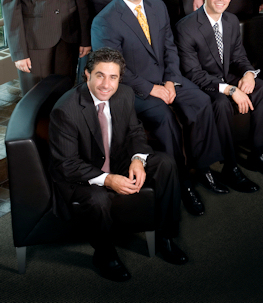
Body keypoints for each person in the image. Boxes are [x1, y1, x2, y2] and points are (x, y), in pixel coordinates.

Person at [91, 0, 226, 217]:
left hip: (166, 78)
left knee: (201, 102)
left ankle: (204, 168)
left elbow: (169, 48)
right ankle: (183, 182)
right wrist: (153, 89)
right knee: (164, 118)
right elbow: (114, 71)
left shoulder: (158, 7)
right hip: (134, 89)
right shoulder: (105, 20)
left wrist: (171, 80)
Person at [49, 48, 187, 282]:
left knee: (165, 163)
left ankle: (165, 237)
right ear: (87, 74)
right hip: (80, 174)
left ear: (119, 79)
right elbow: (67, 164)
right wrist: (109, 179)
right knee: (98, 198)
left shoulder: (124, 94)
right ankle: (104, 255)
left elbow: (134, 131)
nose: (106, 84)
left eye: (113, 77)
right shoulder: (66, 110)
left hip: (116, 159)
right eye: (100, 75)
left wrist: (138, 159)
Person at [175, 0, 263, 189]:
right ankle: (230, 167)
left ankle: (259, 155)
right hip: (202, 85)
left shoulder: (231, 20)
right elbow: (193, 74)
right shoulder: (186, 27)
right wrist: (231, 90)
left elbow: (239, 57)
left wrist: (249, 74)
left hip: (226, 76)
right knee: (222, 103)